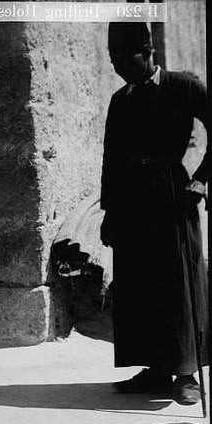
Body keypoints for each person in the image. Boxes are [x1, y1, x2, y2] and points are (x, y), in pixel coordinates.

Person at [99, 23, 209, 404]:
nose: (117, 67)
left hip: (172, 195)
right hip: (132, 200)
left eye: (123, 58)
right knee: (139, 283)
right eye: (112, 59)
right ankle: (155, 368)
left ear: (148, 52)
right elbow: (110, 160)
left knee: (177, 282)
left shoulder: (184, 87)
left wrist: (201, 180)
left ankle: (185, 373)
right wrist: (109, 212)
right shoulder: (120, 100)